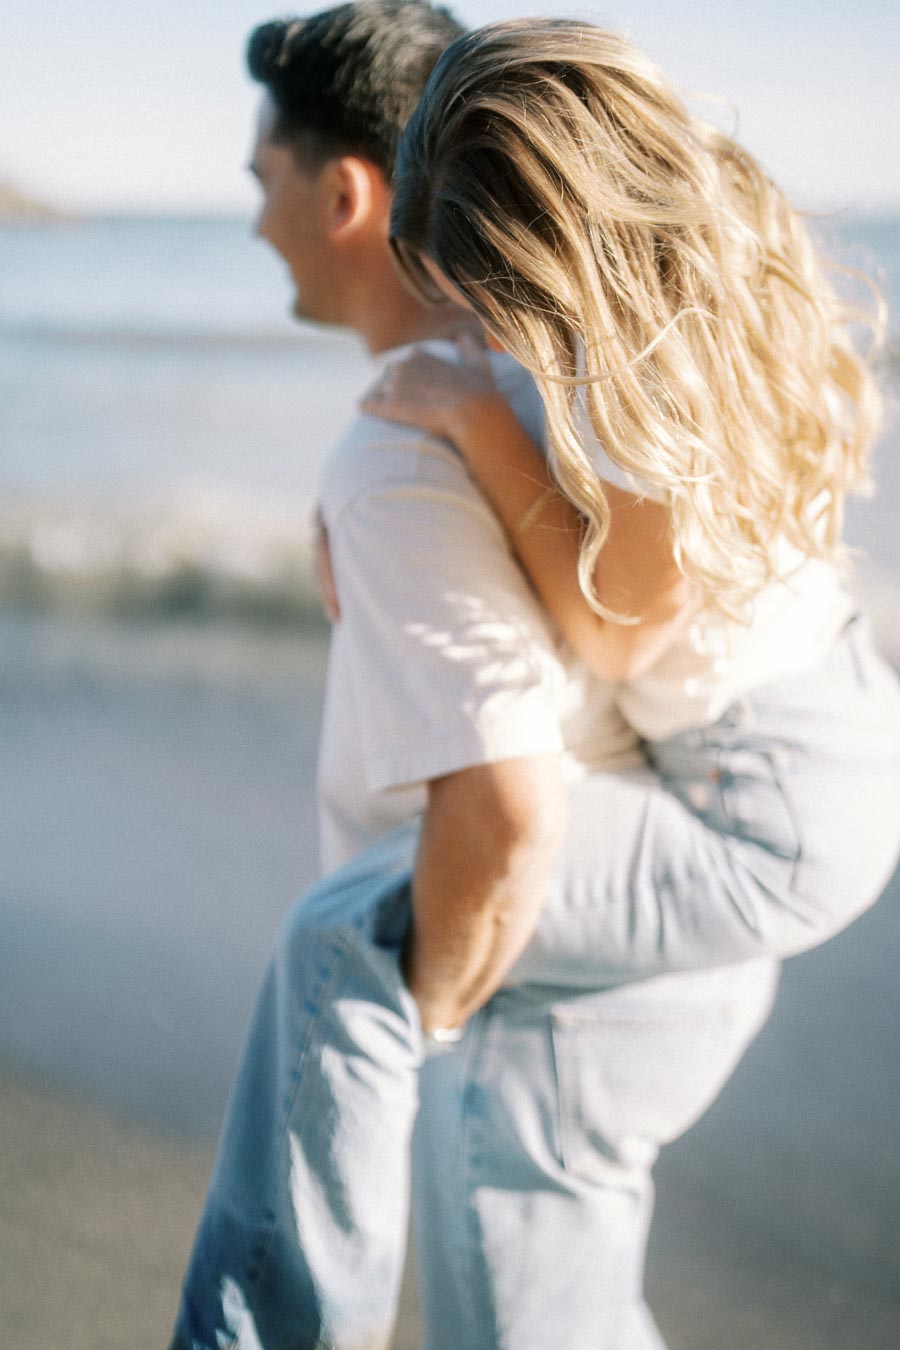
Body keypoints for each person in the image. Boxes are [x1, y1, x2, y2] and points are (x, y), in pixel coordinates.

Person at [170, 9, 900, 1349]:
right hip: (817, 739)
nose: (475, 325)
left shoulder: (637, 399)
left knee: (344, 937)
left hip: (767, 805)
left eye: (490, 296)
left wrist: (462, 424)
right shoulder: (682, 285)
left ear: (549, 259)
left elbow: (614, 629)